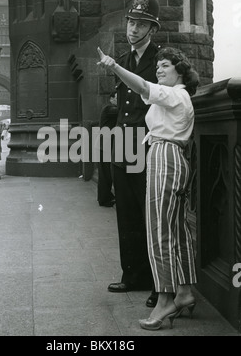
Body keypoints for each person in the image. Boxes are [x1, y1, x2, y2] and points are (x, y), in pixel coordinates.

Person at [97, 46, 199, 331]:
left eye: (165, 65)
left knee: (159, 232)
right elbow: (145, 91)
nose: (159, 70)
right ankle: (186, 291)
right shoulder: (176, 97)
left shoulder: (175, 94)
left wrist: (114, 66)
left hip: (165, 158)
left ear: (180, 70)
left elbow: (141, 85)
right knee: (178, 231)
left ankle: (165, 298)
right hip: (171, 158)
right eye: (157, 66)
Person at [104, 0, 161, 308]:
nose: (133, 29)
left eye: (141, 24)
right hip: (122, 145)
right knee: (125, 213)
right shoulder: (122, 60)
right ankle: (133, 274)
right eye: (130, 22)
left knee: (149, 214)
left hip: (147, 144)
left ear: (152, 29)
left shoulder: (160, 60)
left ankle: (157, 281)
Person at [97, 92, 118, 207]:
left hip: (104, 145)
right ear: (111, 99)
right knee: (105, 174)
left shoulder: (108, 109)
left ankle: (104, 197)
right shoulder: (109, 109)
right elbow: (120, 111)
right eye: (117, 98)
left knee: (105, 173)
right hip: (104, 146)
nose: (118, 101)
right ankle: (104, 199)